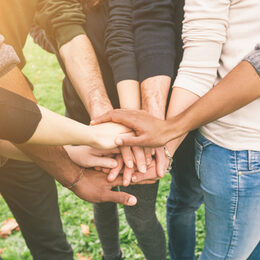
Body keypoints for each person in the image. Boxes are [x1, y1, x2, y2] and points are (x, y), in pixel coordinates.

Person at [92, 0, 260, 258]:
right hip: (234, 141)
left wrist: (166, 133)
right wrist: (162, 141)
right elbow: (154, 25)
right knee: (187, 208)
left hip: (193, 116)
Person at [32, 1, 183, 259]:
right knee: (100, 199)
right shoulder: (58, 7)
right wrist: (66, 45)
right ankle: (111, 255)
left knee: (140, 215)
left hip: (133, 115)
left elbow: (137, 33)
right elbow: (38, 28)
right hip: (82, 114)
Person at [0, 1, 137, 259]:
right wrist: (81, 148)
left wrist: (101, 115)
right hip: (20, 119)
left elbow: (64, 21)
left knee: (52, 247)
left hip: (24, 126)